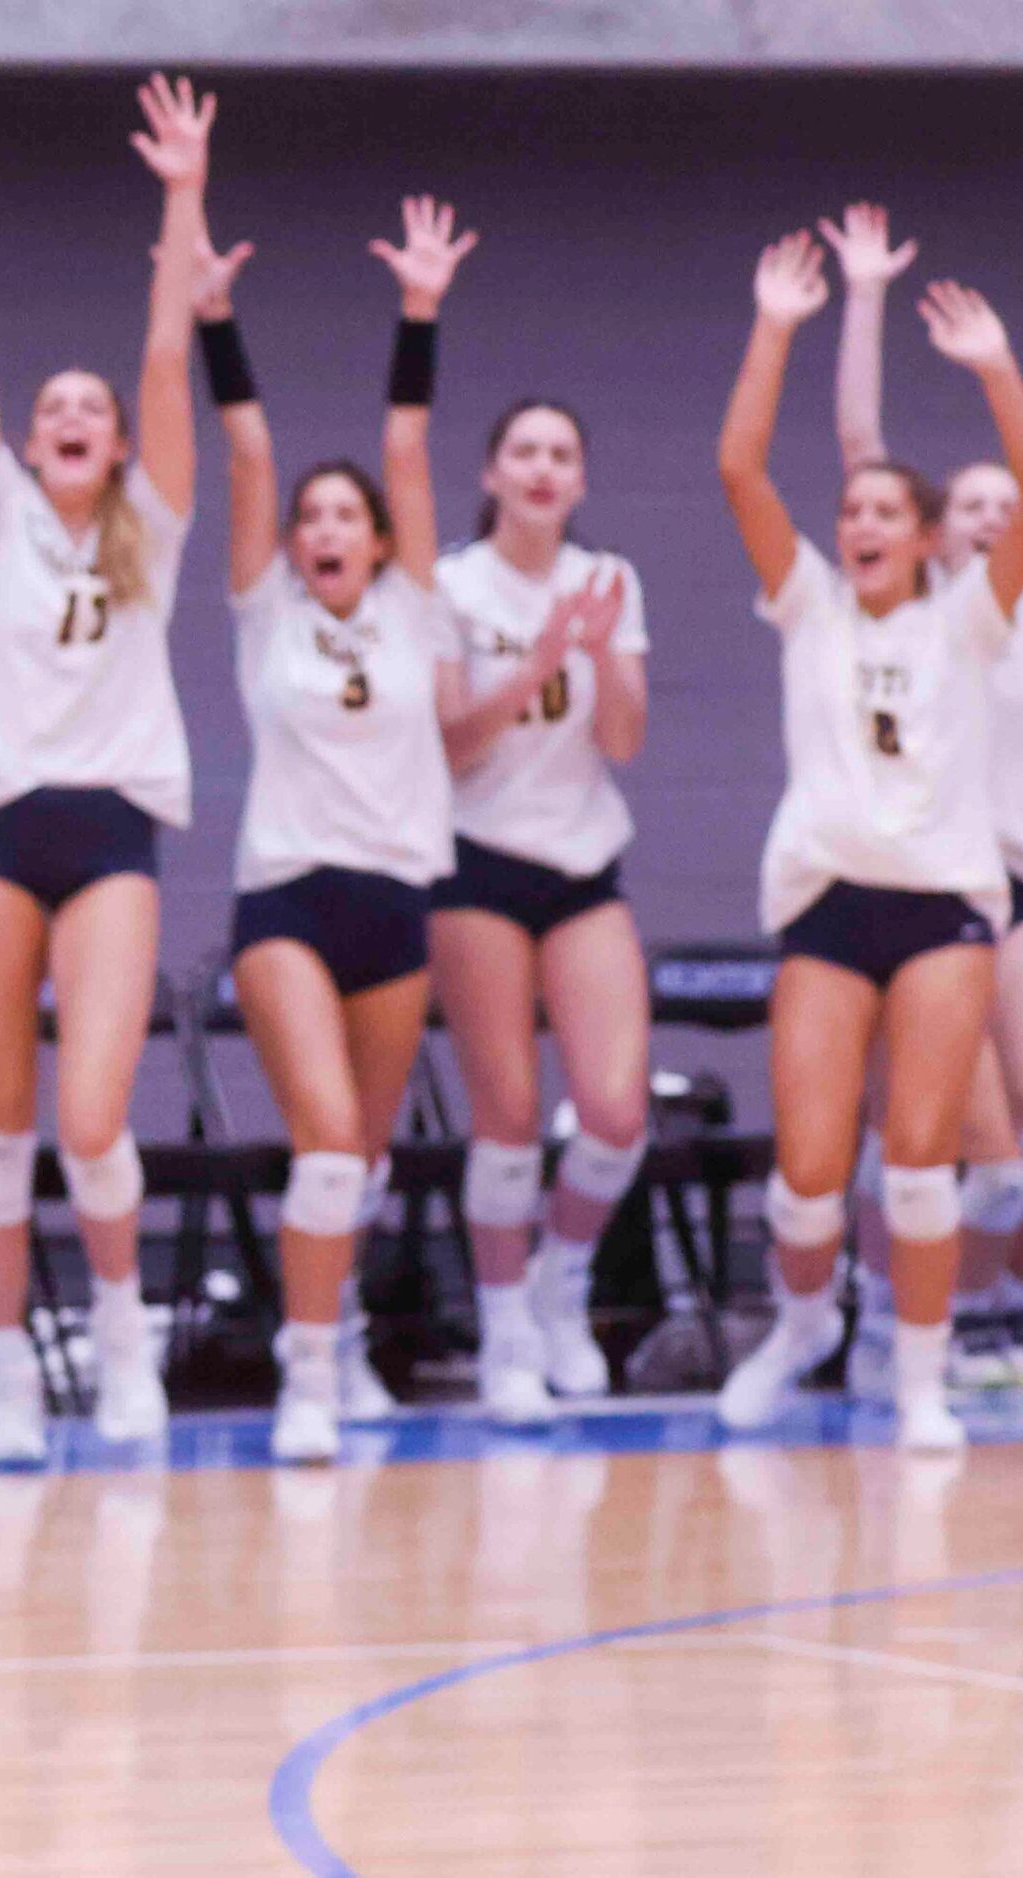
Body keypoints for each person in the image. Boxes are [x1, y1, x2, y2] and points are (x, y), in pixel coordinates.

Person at [0, 70, 214, 1455]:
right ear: (28, 439)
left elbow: (170, 360)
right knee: (1, 1120)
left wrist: (185, 194)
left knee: (92, 1110)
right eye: (53, 402)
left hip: (112, 824)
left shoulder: (157, 527)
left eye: (92, 405)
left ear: (118, 443)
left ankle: (124, 1347)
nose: (72, 411)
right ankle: (7, 1365)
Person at [710, 231, 1023, 1450]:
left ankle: (916, 1382)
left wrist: (995, 366)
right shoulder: (806, 609)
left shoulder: (969, 619)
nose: (857, 523)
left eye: (881, 511)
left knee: (918, 1159)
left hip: (943, 904)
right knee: (805, 1172)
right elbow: (739, 466)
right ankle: (798, 1330)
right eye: (848, 508)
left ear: (921, 534)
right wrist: (773, 325)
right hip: (827, 902)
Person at [204, 197, 483, 1463]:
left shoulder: (416, 610)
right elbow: (249, 458)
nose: (320, 531)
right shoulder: (266, 614)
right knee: (323, 1139)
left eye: (341, 517)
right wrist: (214, 319)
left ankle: (345, 1326)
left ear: (376, 542)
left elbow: (410, 450)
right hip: (286, 904)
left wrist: (418, 309)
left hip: (394, 903)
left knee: (360, 1158)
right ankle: (306, 1376)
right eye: (308, 519)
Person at [823, 200, 1023, 1385]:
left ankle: (993, 1306)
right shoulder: (926, 613)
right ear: (939, 531)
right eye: (974, 508)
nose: (996, 520)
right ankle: (892, 1319)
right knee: (951, 1143)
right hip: (940, 881)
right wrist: (861, 297)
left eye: (1012, 508)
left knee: (1014, 1156)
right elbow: (862, 447)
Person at [427, 396, 653, 1423]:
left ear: (580, 481)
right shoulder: (447, 583)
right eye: (522, 450)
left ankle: (563, 1280)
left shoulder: (608, 581)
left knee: (612, 1109)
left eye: (561, 453)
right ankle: (504, 1321)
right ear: (489, 472)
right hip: (476, 863)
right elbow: (448, 742)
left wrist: (597, 650)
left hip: (579, 863)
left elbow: (622, 741)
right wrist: (535, 658)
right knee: (507, 1116)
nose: (541, 468)